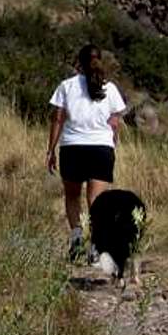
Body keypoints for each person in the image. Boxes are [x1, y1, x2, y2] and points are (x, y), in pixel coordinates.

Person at [45, 44, 126, 262]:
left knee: (73, 195)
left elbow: (58, 118)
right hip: (101, 148)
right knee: (96, 200)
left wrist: (51, 150)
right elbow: (115, 122)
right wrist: (112, 143)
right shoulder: (110, 88)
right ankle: (96, 245)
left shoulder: (66, 86)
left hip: (72, 148)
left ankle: (76, 236)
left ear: (78, 62)